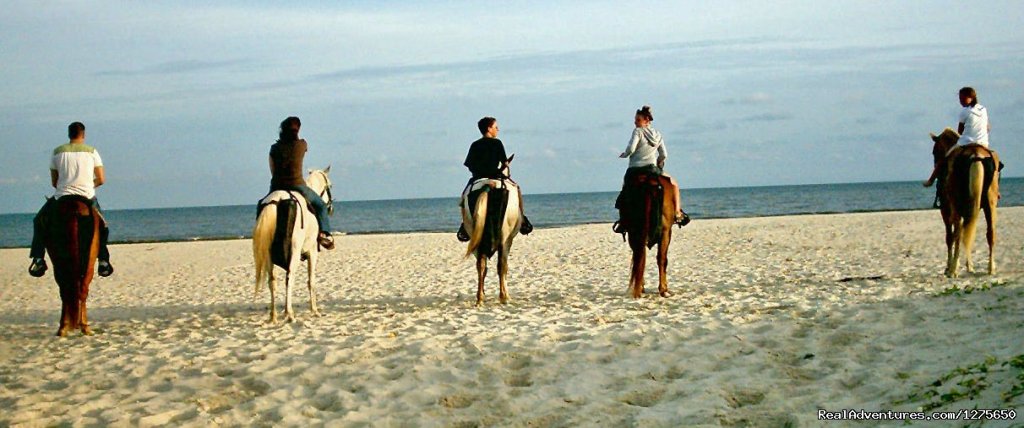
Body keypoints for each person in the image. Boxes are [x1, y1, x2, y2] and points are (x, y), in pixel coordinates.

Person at [28, 121, 114, 277]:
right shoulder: (92, 152)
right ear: (83, 134)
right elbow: (101, 179)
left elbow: (54, 182)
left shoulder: (57, 152)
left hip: (62, 195)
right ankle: (103, 260)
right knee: (103, 226)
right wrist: (88, 185)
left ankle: (38, 258)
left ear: (69, 134)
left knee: (38, 221)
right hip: (86, 195)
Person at [456, 116, 532, 241]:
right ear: (489, 128)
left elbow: (469, 164)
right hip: (495, 175)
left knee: (464, 196)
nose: (498, 129)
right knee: (517, 188)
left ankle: (464, 226)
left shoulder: (474, 145)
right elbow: (504, 163)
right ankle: (522, 220)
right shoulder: (497, 143)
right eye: (496, 127)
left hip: (478, 177)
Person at [924, 87, 1000, 204]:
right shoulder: (983, 109)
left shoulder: (964, 112)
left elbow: (960, 131)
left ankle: (931, 180)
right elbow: (987, 127)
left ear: (972, 97)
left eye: (963, 98)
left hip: (966, 142)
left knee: (945, 158)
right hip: (983, 143)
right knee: (995, 161)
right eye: (960, 98)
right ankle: (996, 190)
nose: (961, 100)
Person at [268, 116, 334, 250]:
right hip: (297, 185)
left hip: (276, 186)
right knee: (321, 205)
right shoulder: (302, 144)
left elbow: (272, 169)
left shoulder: (274, 148)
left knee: (262, 205)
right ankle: (324, 234)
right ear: (297, 130)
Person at [616, 105, 687, 228]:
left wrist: (625, 154)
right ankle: (677, 212)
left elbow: (632, 148)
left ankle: (623, 220)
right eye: (635, 119)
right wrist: (659, 162)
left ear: (646, 121)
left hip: (635, 168)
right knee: (674, 184)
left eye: (638, 120)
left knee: (625, 188)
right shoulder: (658, 135)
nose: (635, 122)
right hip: (652, 168)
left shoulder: (638, 131)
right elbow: (664, 154)